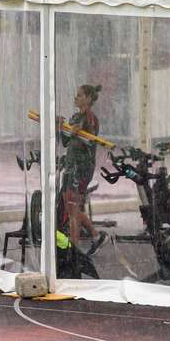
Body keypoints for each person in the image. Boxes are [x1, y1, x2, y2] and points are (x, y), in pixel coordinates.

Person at [58, 85, 103, 241]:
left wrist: (80, 132)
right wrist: (60, 128)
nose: (75, 98)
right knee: (70, 207)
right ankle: (95, 235)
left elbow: (91, 143)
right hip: (71, 166)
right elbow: (65, 142)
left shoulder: (91, 119)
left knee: (73, 206)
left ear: (88, 98)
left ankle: (74, 247)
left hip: (82, 167)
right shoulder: (75, 117)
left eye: (79, 95)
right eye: (76, 95)